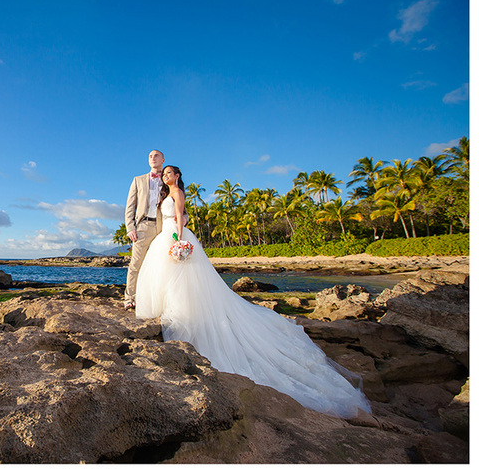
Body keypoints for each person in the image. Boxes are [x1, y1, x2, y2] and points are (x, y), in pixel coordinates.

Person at [135, 165, 372, 419]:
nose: (167, 176)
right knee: (171, 279)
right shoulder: (163, 195)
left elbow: (180, 219)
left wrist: (181, 243)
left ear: (177, 176)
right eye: (166, 173)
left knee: (183, 280)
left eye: (170, 173)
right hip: (166, 237)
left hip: (177, 237)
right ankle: (167, 308)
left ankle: (183, 314)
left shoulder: (178, 194)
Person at [123, 150, 165, 310]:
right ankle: (130, 298)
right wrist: (130, 228)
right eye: (149, 156)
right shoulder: (138, 180)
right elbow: (130, 206)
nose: (152, 158)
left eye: (156, 155)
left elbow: (179, 202)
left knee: (161, 264)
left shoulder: (169, 179)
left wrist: (185, 218)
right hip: (143, 226)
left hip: (163, 228)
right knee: (136, 264)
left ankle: (156, 298)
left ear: (163, 159)